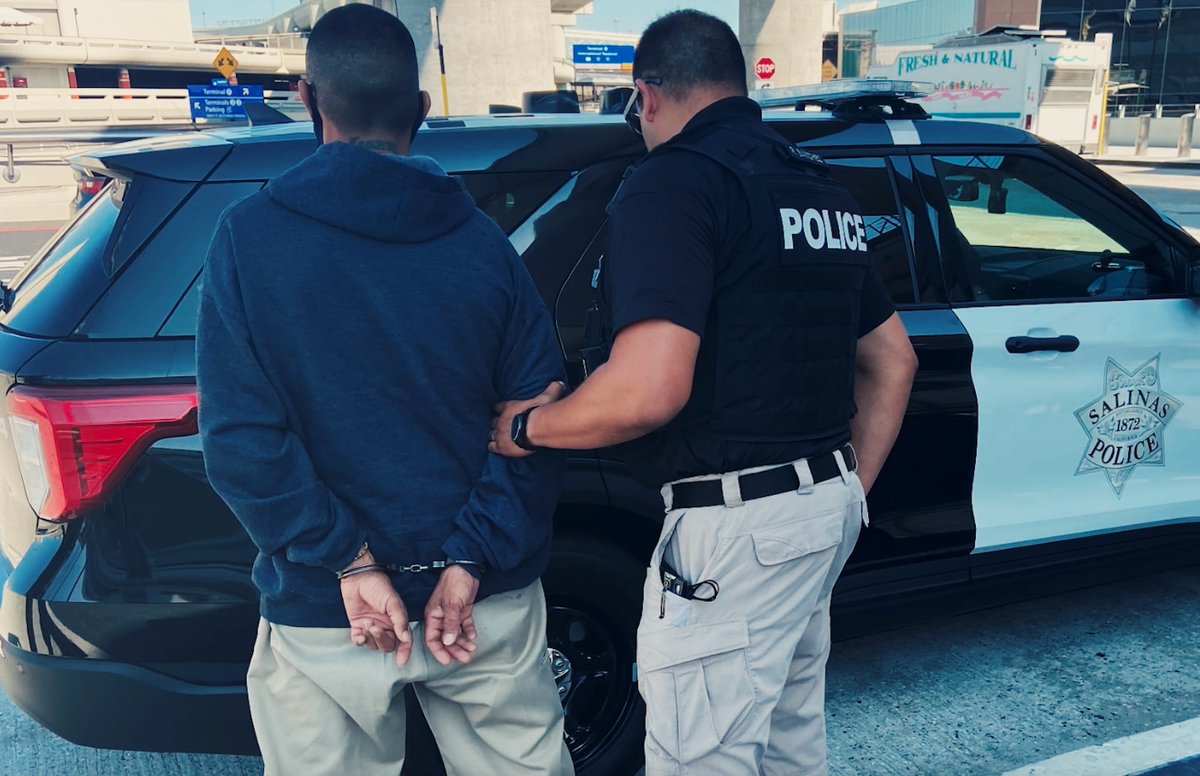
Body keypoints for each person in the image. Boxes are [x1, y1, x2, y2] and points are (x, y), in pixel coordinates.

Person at [490, 10, 917, 776]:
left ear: (648, 96)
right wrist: (849, 493)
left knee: (703, 761)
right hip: (818, 509)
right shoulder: (816, 186)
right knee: (788, 751)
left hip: (736, 530)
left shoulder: (673, 184)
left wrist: (526, 428)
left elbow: (648, 390)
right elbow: (893, 360)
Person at [196, 6, 574, 776]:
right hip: (483, 603)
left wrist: (351, 561)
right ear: (423, 110)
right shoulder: (485, 247)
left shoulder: (248, 239)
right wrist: (467, 561)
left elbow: (240, 443)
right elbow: (539, 424)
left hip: (327, 610)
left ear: (308, 99)